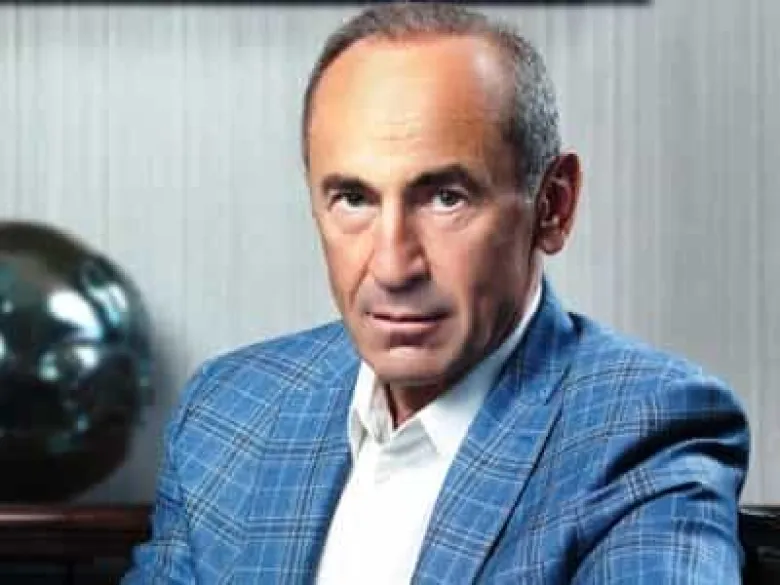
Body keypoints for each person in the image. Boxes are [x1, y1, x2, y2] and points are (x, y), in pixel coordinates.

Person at [122, 3, 750, 584]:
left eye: (447, 198)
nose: (393, 266)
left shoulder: (645, 429)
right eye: (354, 198)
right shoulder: (227, 412)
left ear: (553, 207)